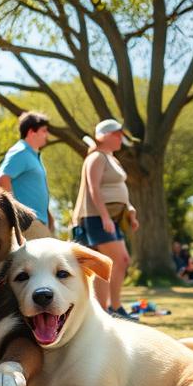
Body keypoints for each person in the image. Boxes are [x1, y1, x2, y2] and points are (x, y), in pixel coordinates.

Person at [71, 119, 137, 316]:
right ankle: (113, 309)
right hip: (96, 217)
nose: (120, 138)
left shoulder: (111, 158)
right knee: (119, 260)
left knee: (109, 263)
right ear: (105, 136)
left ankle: (107, 309)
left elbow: (119, 189)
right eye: (117, 134)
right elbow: (94, 188)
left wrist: (129, 210)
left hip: (112, 218)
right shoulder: (96, 158)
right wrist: (105, 217)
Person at [0, 111, 53, 239]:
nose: (47, 135)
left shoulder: (33, 155)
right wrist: (16, 213)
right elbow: (1, 179)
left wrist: (49, 216)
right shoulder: (20, 151)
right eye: (44, 131)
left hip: (39, 221)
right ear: (31, 132)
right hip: (29, 222)